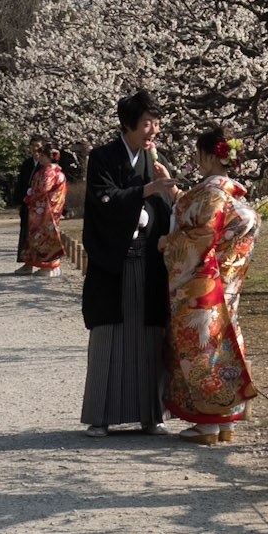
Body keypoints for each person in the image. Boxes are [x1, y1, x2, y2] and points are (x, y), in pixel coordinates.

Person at [80, 90, 177, 435]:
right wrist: (147, 191)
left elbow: (167, 208)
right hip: (114, 262)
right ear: (128, 124)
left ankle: (152, 415)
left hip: (149, 261)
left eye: (157, 123)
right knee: (110, 335)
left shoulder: (156, 159)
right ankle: (101, 416)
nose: (153, 131)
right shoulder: (104, 157)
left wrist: (165, 196)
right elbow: (103, 198)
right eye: (148, 123)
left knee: (150, 337)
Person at [159, 126, 259, 444]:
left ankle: (207, 425)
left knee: (202, 349)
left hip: (203, 285)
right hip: (226, 286)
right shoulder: (229, 193)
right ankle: (225, 421)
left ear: (207, 155)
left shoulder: (212, 194)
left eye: (198, 154)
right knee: (223, 345)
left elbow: (200, 236)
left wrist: (167, 242)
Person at [19, 142, 68, 275]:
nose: (39, 158)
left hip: (46, 210)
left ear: (48, 156)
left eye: (42, 155)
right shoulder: (52, 170)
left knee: (46, 237)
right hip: (47, 209)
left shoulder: (49, 171)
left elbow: (42, 188)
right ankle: (37, 264)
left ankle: (50, 266)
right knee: (39, 236)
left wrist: (30, 196)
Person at [13, 136, 44, 271]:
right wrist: (20, 200)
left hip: (41, 206)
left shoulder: (46, 165)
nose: (34, 149)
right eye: (32, 146)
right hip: (27, 204)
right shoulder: (27, 163)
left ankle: (44, 264)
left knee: (40, 234)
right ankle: (28, 263)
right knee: (26, 233)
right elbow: (20, 184)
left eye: (37, 146)